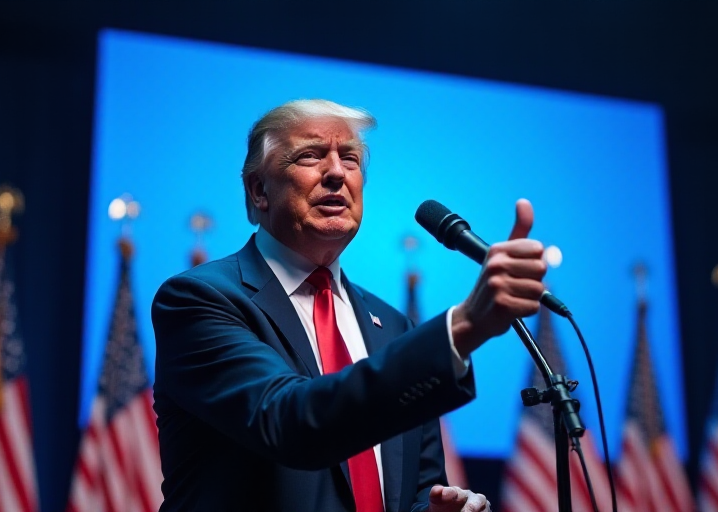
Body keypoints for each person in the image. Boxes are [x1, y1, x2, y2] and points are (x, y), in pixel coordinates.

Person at [152, 99, 547, 512]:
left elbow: (417, 490)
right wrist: (464, 326)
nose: (337, 173)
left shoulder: (394, 327)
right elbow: (292, 423)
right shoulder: (199, 300)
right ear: (259, 190)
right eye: (310, 155)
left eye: (351, 159)